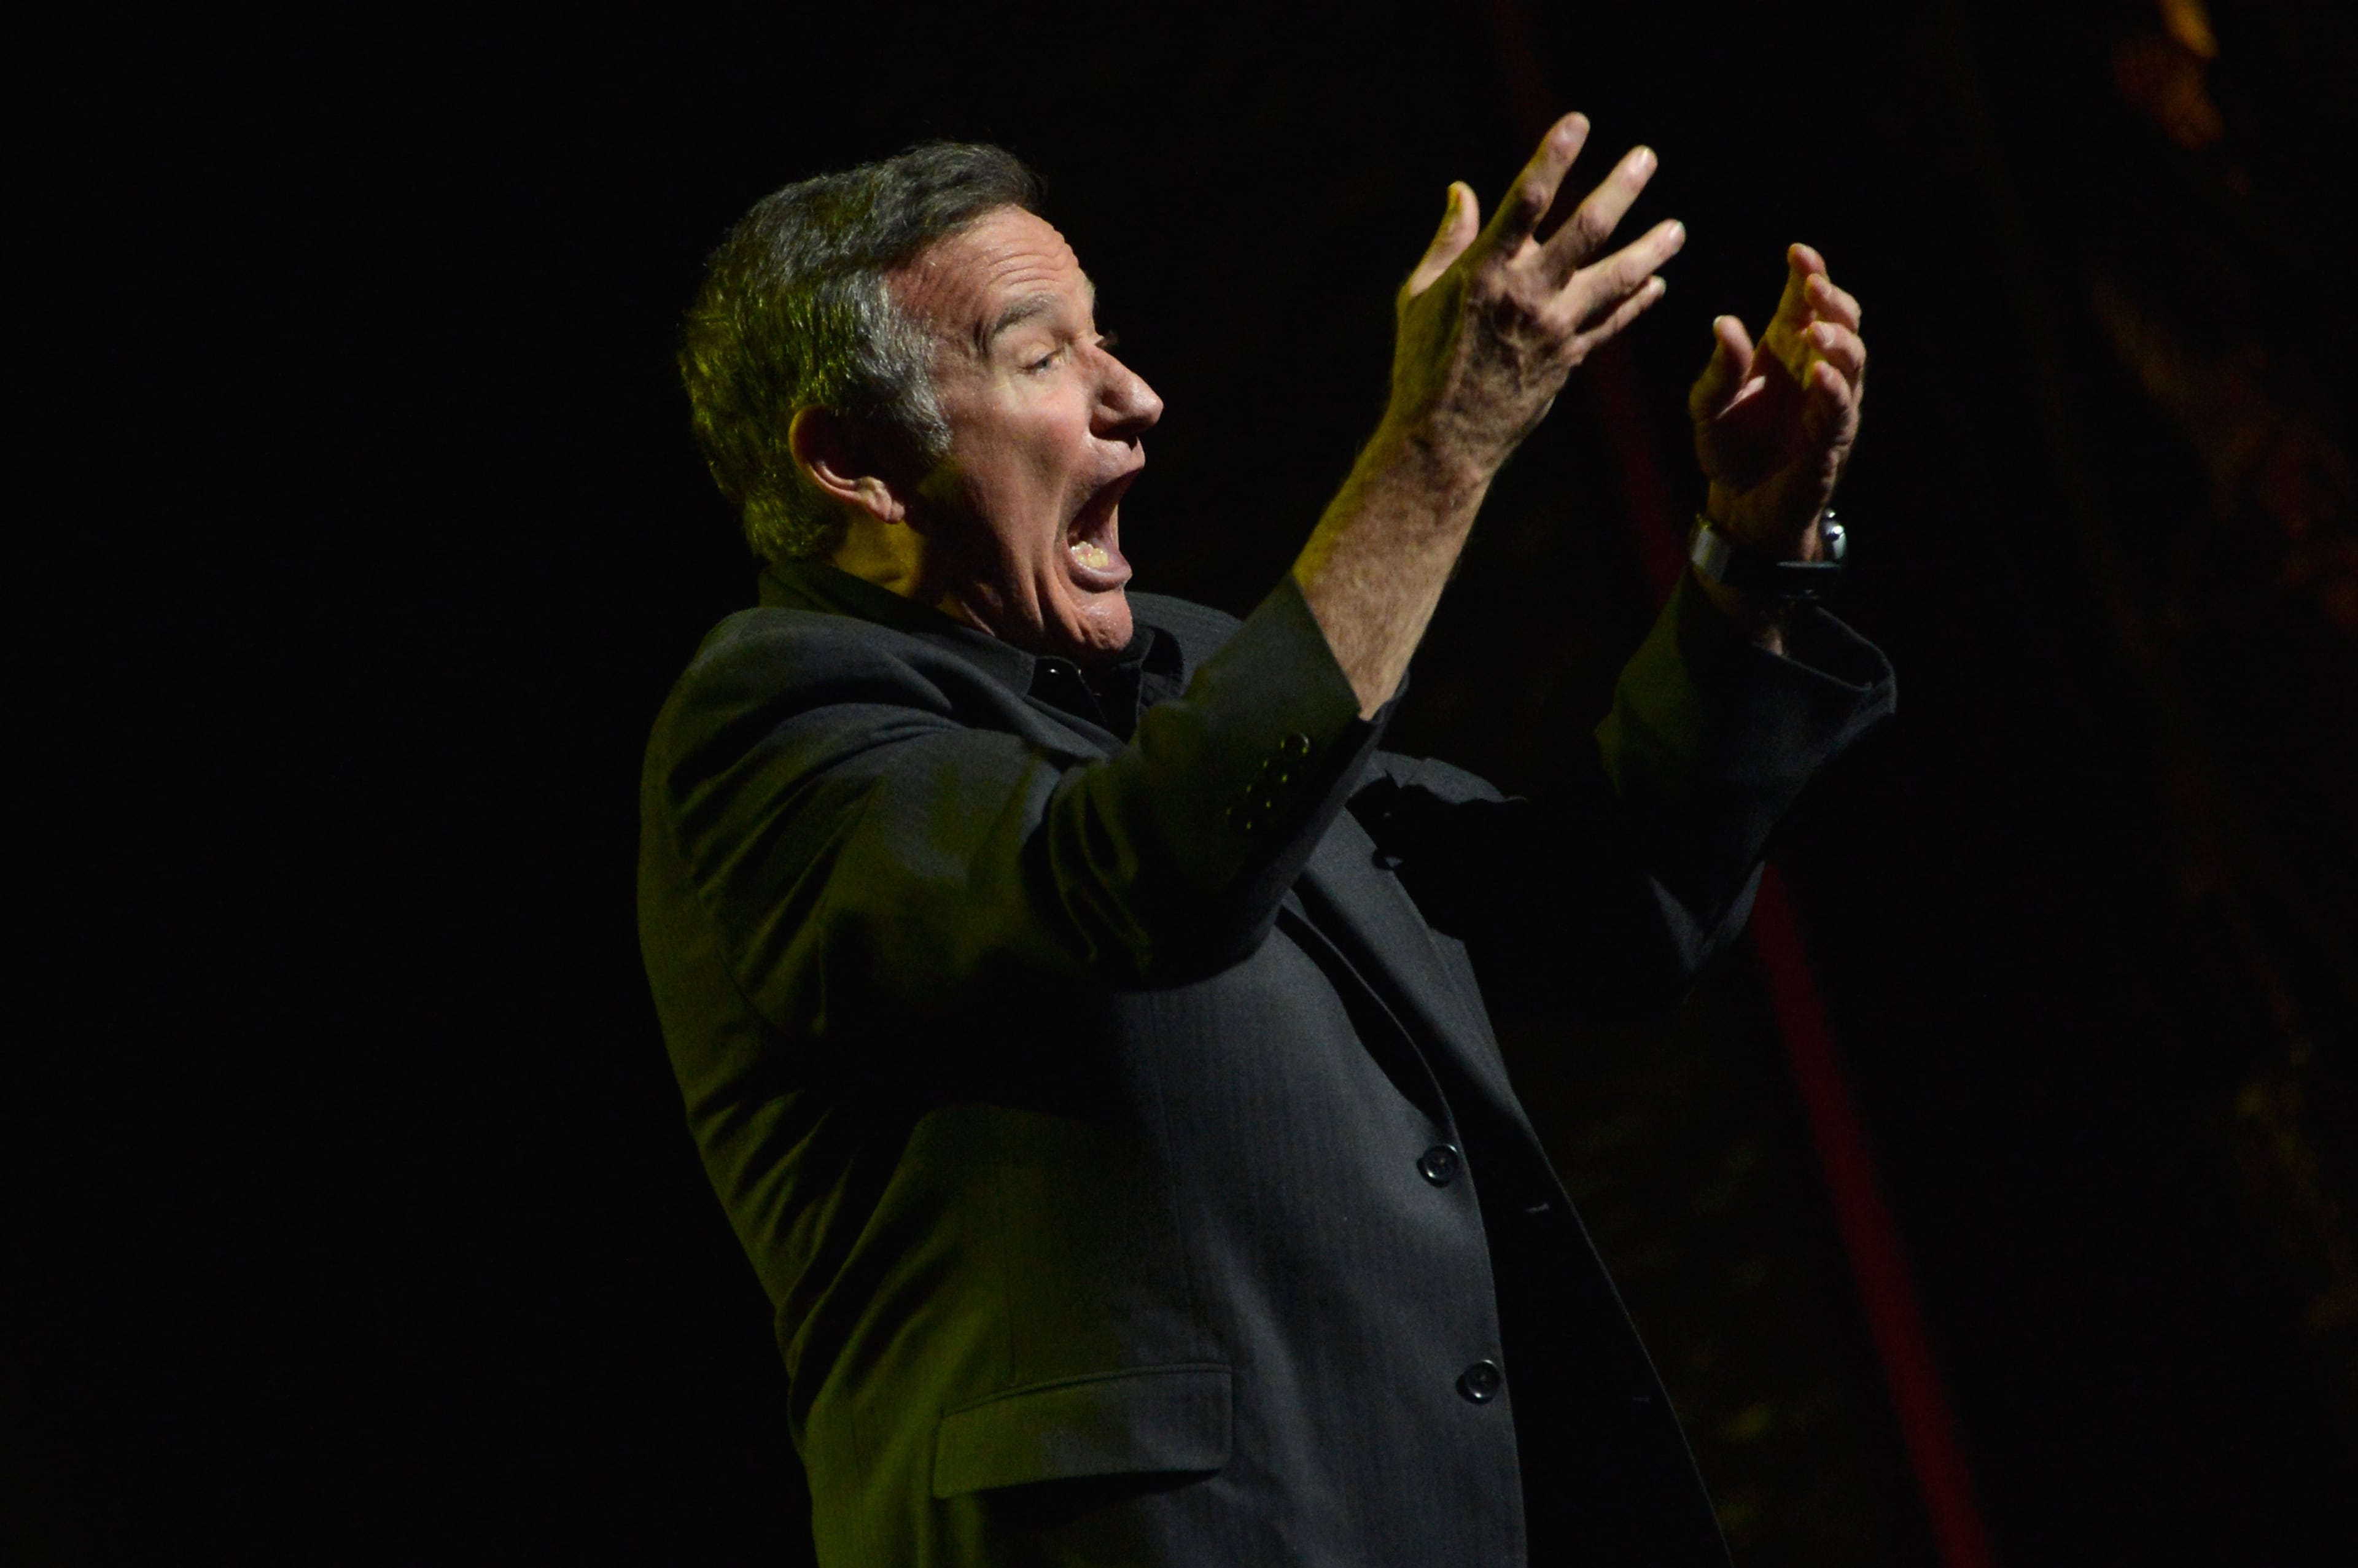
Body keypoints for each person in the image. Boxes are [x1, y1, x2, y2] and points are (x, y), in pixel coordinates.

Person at [641, 123, 1891, 1566]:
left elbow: (1609, 903)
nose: (1137, 396)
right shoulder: (776, 727)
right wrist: (1441, 444)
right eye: (1044, 357)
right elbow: (1138, 876)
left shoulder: (1192, 669)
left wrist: (1751, 561)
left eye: (1110, 340)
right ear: (852, 459)